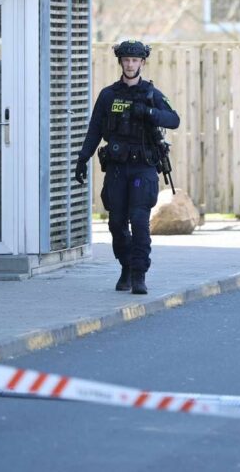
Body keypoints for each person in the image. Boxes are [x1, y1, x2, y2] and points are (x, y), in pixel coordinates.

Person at [74, 40, 180, 294]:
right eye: (126, 60)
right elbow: (95, 129)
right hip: (117, 169)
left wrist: (150, 113)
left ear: (142, 62)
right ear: (120, 62)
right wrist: (82, 158)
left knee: (139, 221)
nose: (130, 64)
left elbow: (174, 119)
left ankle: (139, 274)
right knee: (116, 222)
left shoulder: (152, 94)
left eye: (135, 60)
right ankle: (127, 266)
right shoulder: (108, 95)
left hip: (143, 167)